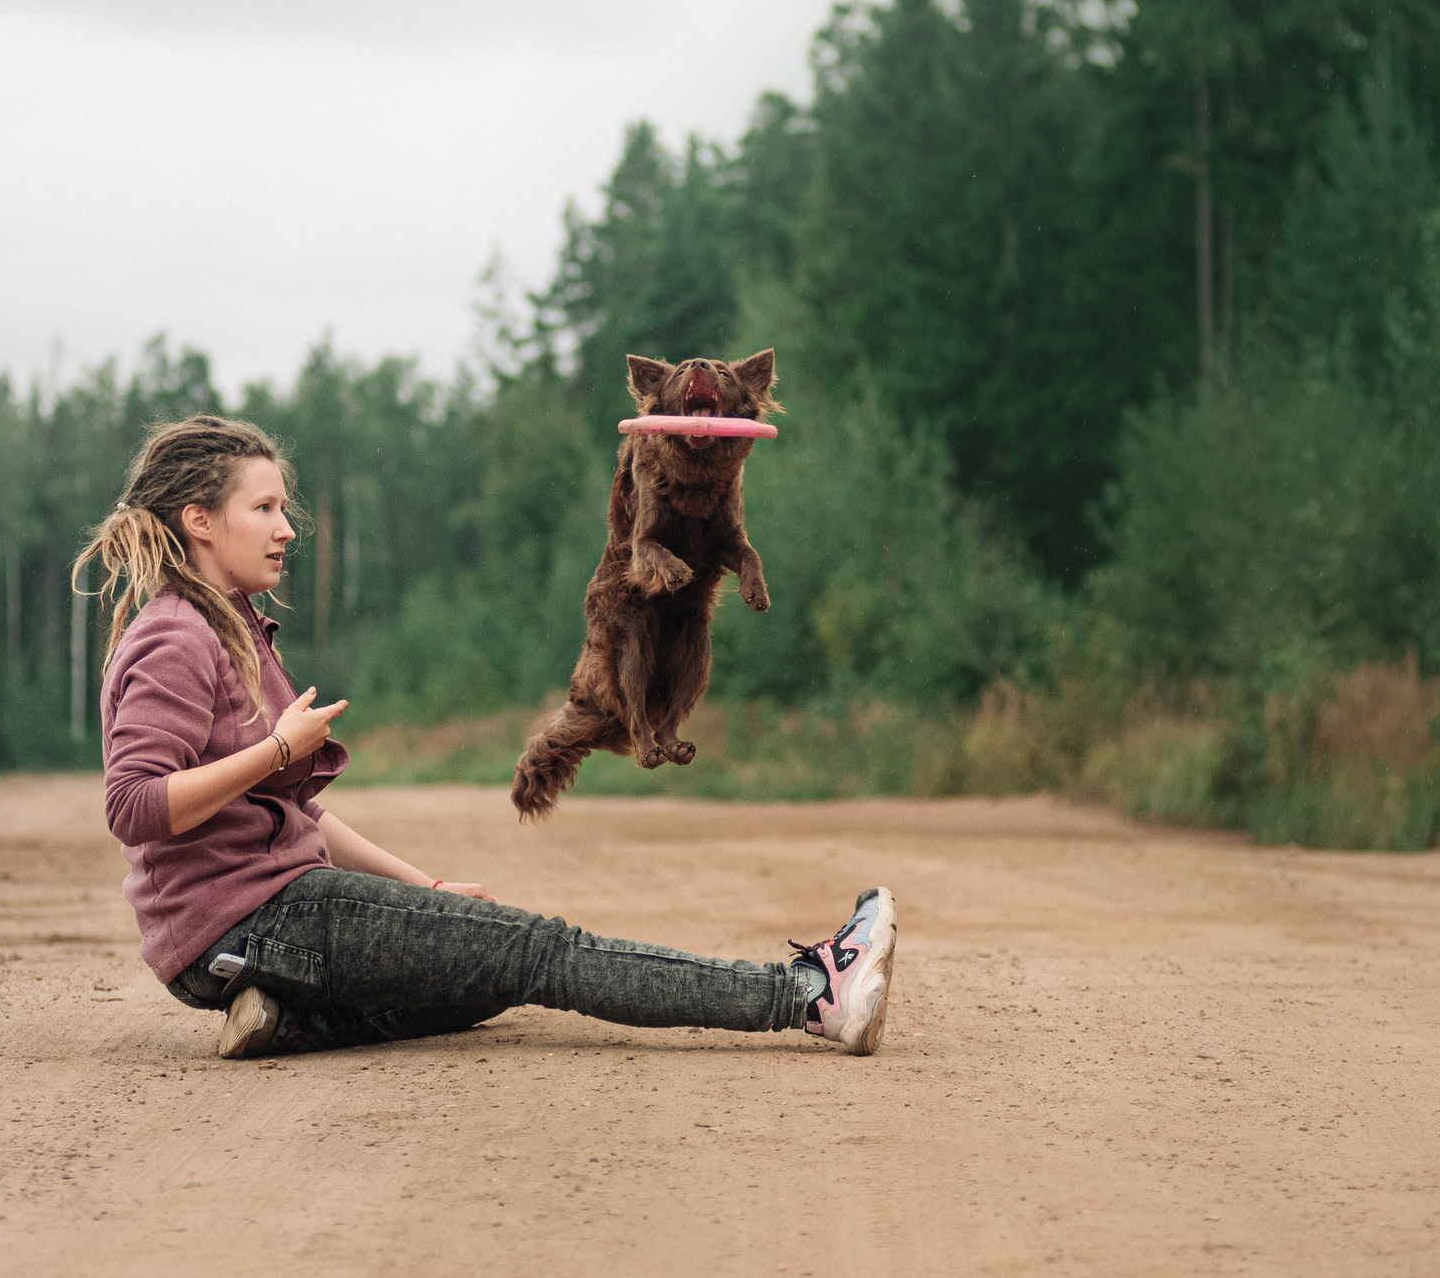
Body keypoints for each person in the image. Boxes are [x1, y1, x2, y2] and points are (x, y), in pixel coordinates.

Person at [81, 414, 897, 1060]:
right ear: (198, 521)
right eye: (263, 509)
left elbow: (296, 815)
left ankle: (286, 1020)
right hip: (255, 920)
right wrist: (280, 748)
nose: (287, 528)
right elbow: (134, 807)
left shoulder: (230, 629)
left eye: (282, 508)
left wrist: (421, 887)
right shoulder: (175, 636)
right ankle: (810, 993)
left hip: (258, 924)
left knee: (480, 973)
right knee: (540, 952)